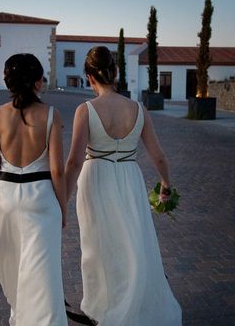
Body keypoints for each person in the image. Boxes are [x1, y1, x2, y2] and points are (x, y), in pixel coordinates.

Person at [65, 46, 182, 325]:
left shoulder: (86, 110)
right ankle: (134, 303)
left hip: (96, 180)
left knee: (99, 247)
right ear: (115, 73)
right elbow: (159, 155)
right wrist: (166, 184)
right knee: (133, 242)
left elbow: (73, 162)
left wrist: (63, 200)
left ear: (89, 76)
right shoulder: (138, 109)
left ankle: (104, 308)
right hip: (129, 178)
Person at [0, 53, 68, 326]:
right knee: (42, 272)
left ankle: (20, 317)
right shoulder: (51, 115)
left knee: (12, 264)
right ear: (35, 82)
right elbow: (57, 170)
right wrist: (63, 209)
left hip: (6, 199)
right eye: (42, 77)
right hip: (42, 199)